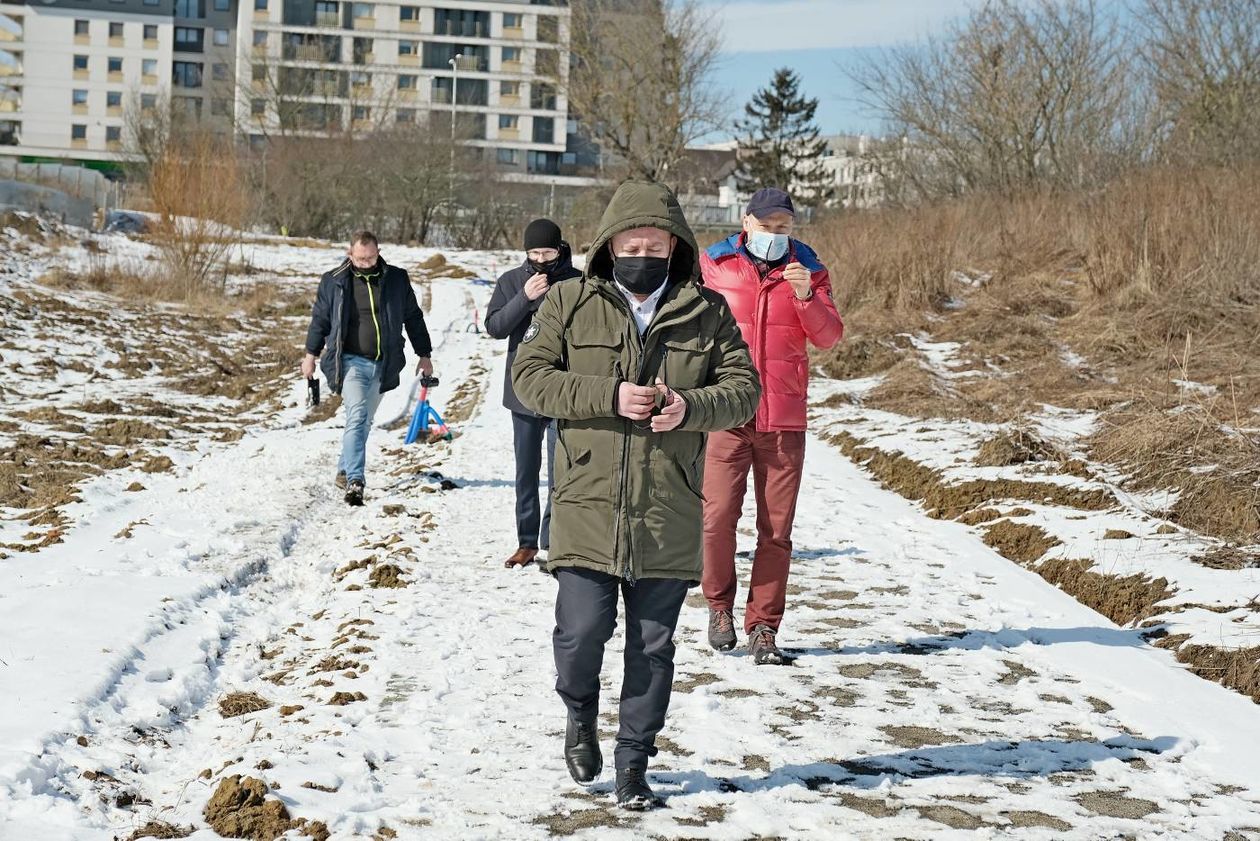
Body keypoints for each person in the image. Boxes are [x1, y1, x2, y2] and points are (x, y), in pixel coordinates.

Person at [513, 180, 760, 810]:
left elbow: (744, 389)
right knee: (579, 634)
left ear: (674, 249)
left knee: (652, 649)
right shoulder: (569, 302)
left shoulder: (708, 312)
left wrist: (689, 407)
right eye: (631, 242)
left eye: (654, 243)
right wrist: (607, 395)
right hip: (586, 502)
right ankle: (579, 715)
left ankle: (634, 763)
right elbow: (531, 380)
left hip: (668, 507)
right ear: (609, 246)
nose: (641, 252)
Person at [699, 187, 844, 664]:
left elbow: (829, 337)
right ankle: (718, 607)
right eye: (767, 225)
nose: (775, 234)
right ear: (746, 222)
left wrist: (805, 297)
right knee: (717, 518)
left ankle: (763, 626)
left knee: (776, 530)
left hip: (783, 419)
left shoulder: (810, 270)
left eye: (784, 226)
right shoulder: (715, 265)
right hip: (726, 413)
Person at [301, 231, 434, 506]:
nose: (366, 263)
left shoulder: (396, 279)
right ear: (350, 254)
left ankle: (343, 468)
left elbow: (413, 317)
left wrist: (424, 354)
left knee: (364, 420)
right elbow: (321, 320)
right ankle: (355, 480)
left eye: (371, 257)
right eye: (361, 259)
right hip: (350, 362)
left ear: (379, 251)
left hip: (383, 363)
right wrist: (310, 354)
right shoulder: (334, 280)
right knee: (358, 416)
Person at [485, 219, 583, 568]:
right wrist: (524, 298)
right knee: (526, 470)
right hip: (523, 392)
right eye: (534, 252)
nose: (541, 258)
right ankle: (526, 542)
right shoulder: (511, 280)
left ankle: (553, 540)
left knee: (563, 472)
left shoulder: (576, 281)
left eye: (547, 251)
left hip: (563, 389)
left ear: (560, 248)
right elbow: (495, 327)